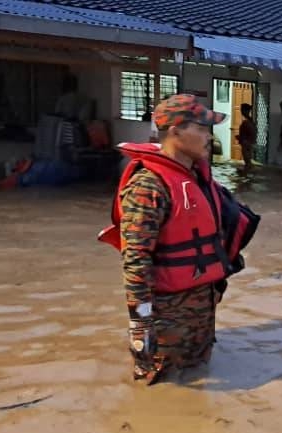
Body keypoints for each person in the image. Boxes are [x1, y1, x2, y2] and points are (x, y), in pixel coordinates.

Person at [96, 94, 260, 385]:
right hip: (167, 315)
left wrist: (219, 281)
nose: (209, 136)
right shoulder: (148, 186)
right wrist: (140, 324)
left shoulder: (198, 176)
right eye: (202, 128)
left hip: (202, 310)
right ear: (175, 131)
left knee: (199, 378)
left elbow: (219, 234)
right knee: (159, 389)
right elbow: (136, 260)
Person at [236, 103, 257, 171]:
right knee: (248, 162)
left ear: (244, 111)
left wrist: (240, 138)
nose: (241, 111)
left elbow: (250, 134)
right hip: (249, 143)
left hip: (246, 144)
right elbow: (252, 134)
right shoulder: (251, 122)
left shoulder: (246, 123)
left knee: (247, 162)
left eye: (241, 110)